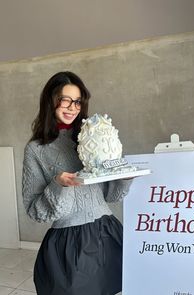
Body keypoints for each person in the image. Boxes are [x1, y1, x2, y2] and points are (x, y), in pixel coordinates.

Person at [22, 71, 133, 295]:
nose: (73, 107)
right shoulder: (36, 149)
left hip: (107, 232)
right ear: (50, 101)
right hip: (70, 245)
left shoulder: (90, 138)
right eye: (66, 100)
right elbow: (34, 211)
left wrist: (124, 178)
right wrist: (58, 185)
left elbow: (110, 196)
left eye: (78, 101)